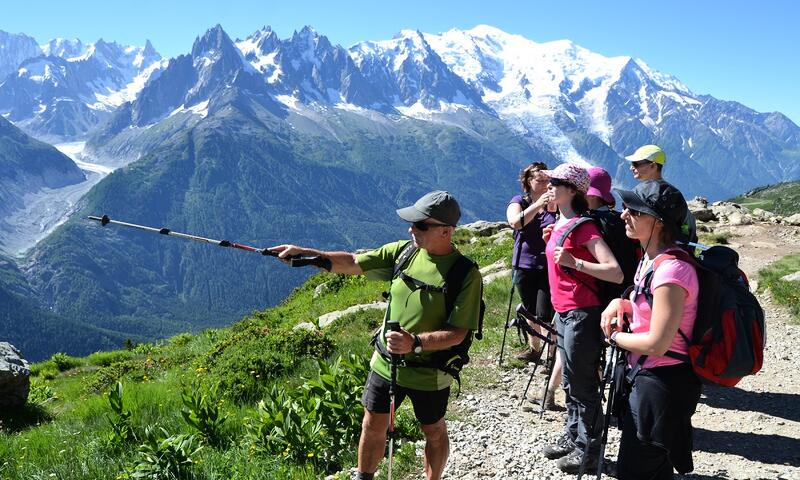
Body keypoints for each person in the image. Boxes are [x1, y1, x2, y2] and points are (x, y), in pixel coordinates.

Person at [270, 190, 481, 480]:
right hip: (386, 362)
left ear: (446, 231)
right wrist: (308, 256)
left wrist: (416, 342)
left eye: (420, 225)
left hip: (430, 370)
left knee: (433, 430)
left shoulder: (464, 273)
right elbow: (354, 263)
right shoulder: (403, 252)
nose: (411, 229)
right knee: (372, 423)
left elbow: (458, 333)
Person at [601, 180, 702, 479]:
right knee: (645, 465)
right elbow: (649, 309)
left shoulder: (672, 271)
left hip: (663, 381)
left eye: (633, 210)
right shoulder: (650, 259)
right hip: (648, 375)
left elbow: (658, 343)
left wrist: (614, 337)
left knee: (639, 467)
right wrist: (621, 305)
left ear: (658, 222)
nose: (623, 215)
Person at [539, 163, 624, 474]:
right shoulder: (561, 223)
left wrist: (575, 261)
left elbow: (614, 272)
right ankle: (573, 435)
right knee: (573, 381)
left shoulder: (584, 227)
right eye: (548, 180)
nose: (549, 185)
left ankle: (588, 449)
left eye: (556, 182)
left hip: (580, 313)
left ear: (573, 189)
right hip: (564, 312)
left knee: (584, 383)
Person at [505, 162, 557, 362]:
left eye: (547, 180)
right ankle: (534, 349)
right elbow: (515, 222)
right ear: (528, 181)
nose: (544, 184)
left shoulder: (556, 203)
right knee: (529, 311)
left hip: (549, 265)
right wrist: (538, 205)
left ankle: (552, 353)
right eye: (539, 180)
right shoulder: (520, 201)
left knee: (547, 312)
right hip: (524, 263)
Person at [624, 144, 697, 244]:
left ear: (653, 166)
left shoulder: (641, 194)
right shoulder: (672, 194)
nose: (631, 168)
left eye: (636, 164)